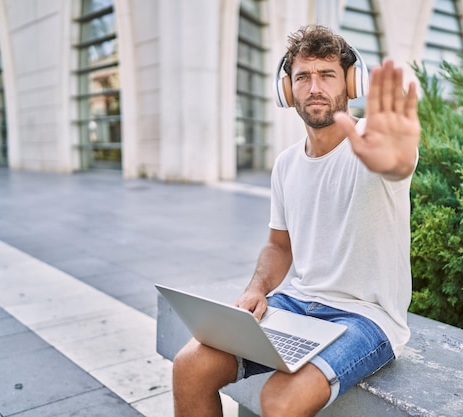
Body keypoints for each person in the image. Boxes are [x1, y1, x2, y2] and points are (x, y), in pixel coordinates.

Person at [172, 24, 420, 417]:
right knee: (190, 366)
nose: (314, 87)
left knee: (281, 400)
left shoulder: (375, 143)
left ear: (351, 83)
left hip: (368, 317)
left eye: (327, 75)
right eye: (303, 76)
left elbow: (397, 162)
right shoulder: (286, 164)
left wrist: (397, 157)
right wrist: (257, 288)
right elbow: (278, 245)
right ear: (287, 89)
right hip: (299, 302)